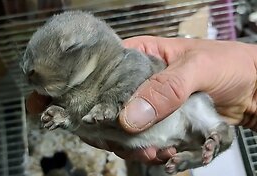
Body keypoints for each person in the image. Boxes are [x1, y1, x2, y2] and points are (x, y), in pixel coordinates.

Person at [26, 35, 257, 165]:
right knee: (98, 128)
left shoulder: (118, 63)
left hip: (180, 112)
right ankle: (196, 154)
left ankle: (217, 135)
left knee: (196, 104)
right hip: (150, 139)